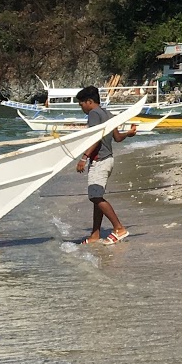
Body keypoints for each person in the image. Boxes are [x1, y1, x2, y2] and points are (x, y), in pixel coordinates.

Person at [73, 86, 140, 246]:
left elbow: (95, 138)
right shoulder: (108, 113)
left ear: (89, 102)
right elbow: (117, 137)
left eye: (81, 104)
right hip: (108, 159)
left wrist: (84, 157)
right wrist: (129, 134)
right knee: (97, 197)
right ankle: (95, 234)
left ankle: (119, 228)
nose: (81, 107)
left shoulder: (94, 114)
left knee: (95, 196)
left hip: (100, 160)